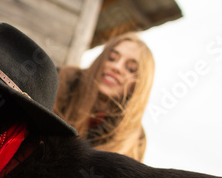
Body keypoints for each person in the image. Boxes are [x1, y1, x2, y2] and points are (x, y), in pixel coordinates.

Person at [54, 32, 155, 161]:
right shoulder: (60, 80)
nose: (116, 67)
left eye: (131, 68)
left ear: (138, 86)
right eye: (112, 58)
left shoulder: (136, 141)